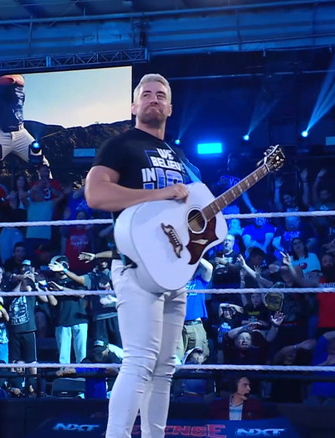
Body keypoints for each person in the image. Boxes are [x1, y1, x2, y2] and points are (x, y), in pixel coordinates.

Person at [85, 73, 192, 438]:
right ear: (133, 106)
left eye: (160, 95)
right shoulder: (121, 145)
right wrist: (157, 196)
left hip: (173, 268)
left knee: (165, 367)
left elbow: (177, 219)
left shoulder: (175, 155)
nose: (153, 99)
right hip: (135, 266)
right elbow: (96, 195)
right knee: (140, 360)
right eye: (145, 94)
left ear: (170, 107)